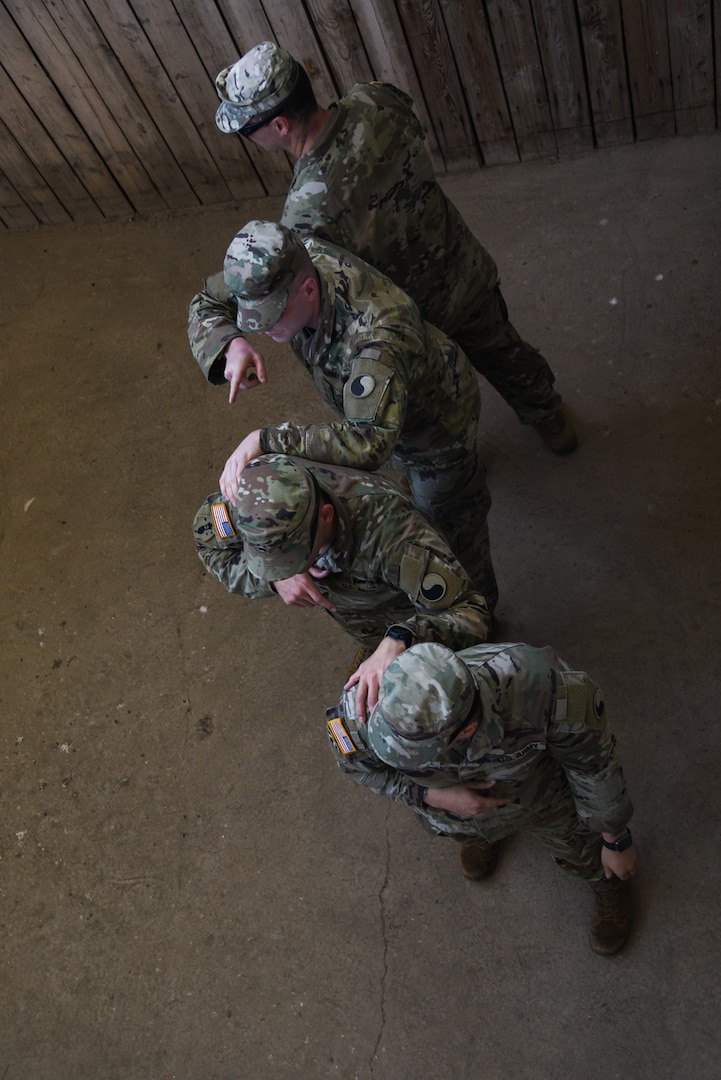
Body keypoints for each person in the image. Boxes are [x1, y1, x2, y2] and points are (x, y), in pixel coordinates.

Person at [192, 40, 577, 454]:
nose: (248, 138)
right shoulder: (374, 98)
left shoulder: (303, 215)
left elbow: (296, 289)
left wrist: (231, 340)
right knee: (505, 351)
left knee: (437, 412)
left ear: (280, 126)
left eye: (248, 130)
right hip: (461, 270)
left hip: (414, 321)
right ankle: (550, 418)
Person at [191, 218, 498, 611]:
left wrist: (266, 439)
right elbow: (207, 299)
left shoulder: (377, 338)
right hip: (371, 409)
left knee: (450, 526)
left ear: (306, 288)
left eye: (269, 316)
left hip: (433, 428)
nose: (260, 328)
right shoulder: (281, 257)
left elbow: (368, 442)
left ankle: (481, 612)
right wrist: (229, 342)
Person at [325, 641, 639, 955]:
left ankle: (607, 884)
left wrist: (614, 839)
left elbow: (593, 762)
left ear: (468, 729)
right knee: (465, 828)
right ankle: (482, 836)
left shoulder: (539, 685)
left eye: (420, 756)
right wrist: (427, 794)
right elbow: (357, 765)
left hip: (539, 796)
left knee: (582, 849)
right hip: (456, 814)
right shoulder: (363, 708)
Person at [193, 454, 491, 721]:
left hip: (404, 608)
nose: (289, 567)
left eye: (294, 555)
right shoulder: (259, 495)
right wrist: (275, 576)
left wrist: (401, 640)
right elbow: (207, 538)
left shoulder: (394, 538)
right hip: (359, 611)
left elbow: (471, 613)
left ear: (325, 515)